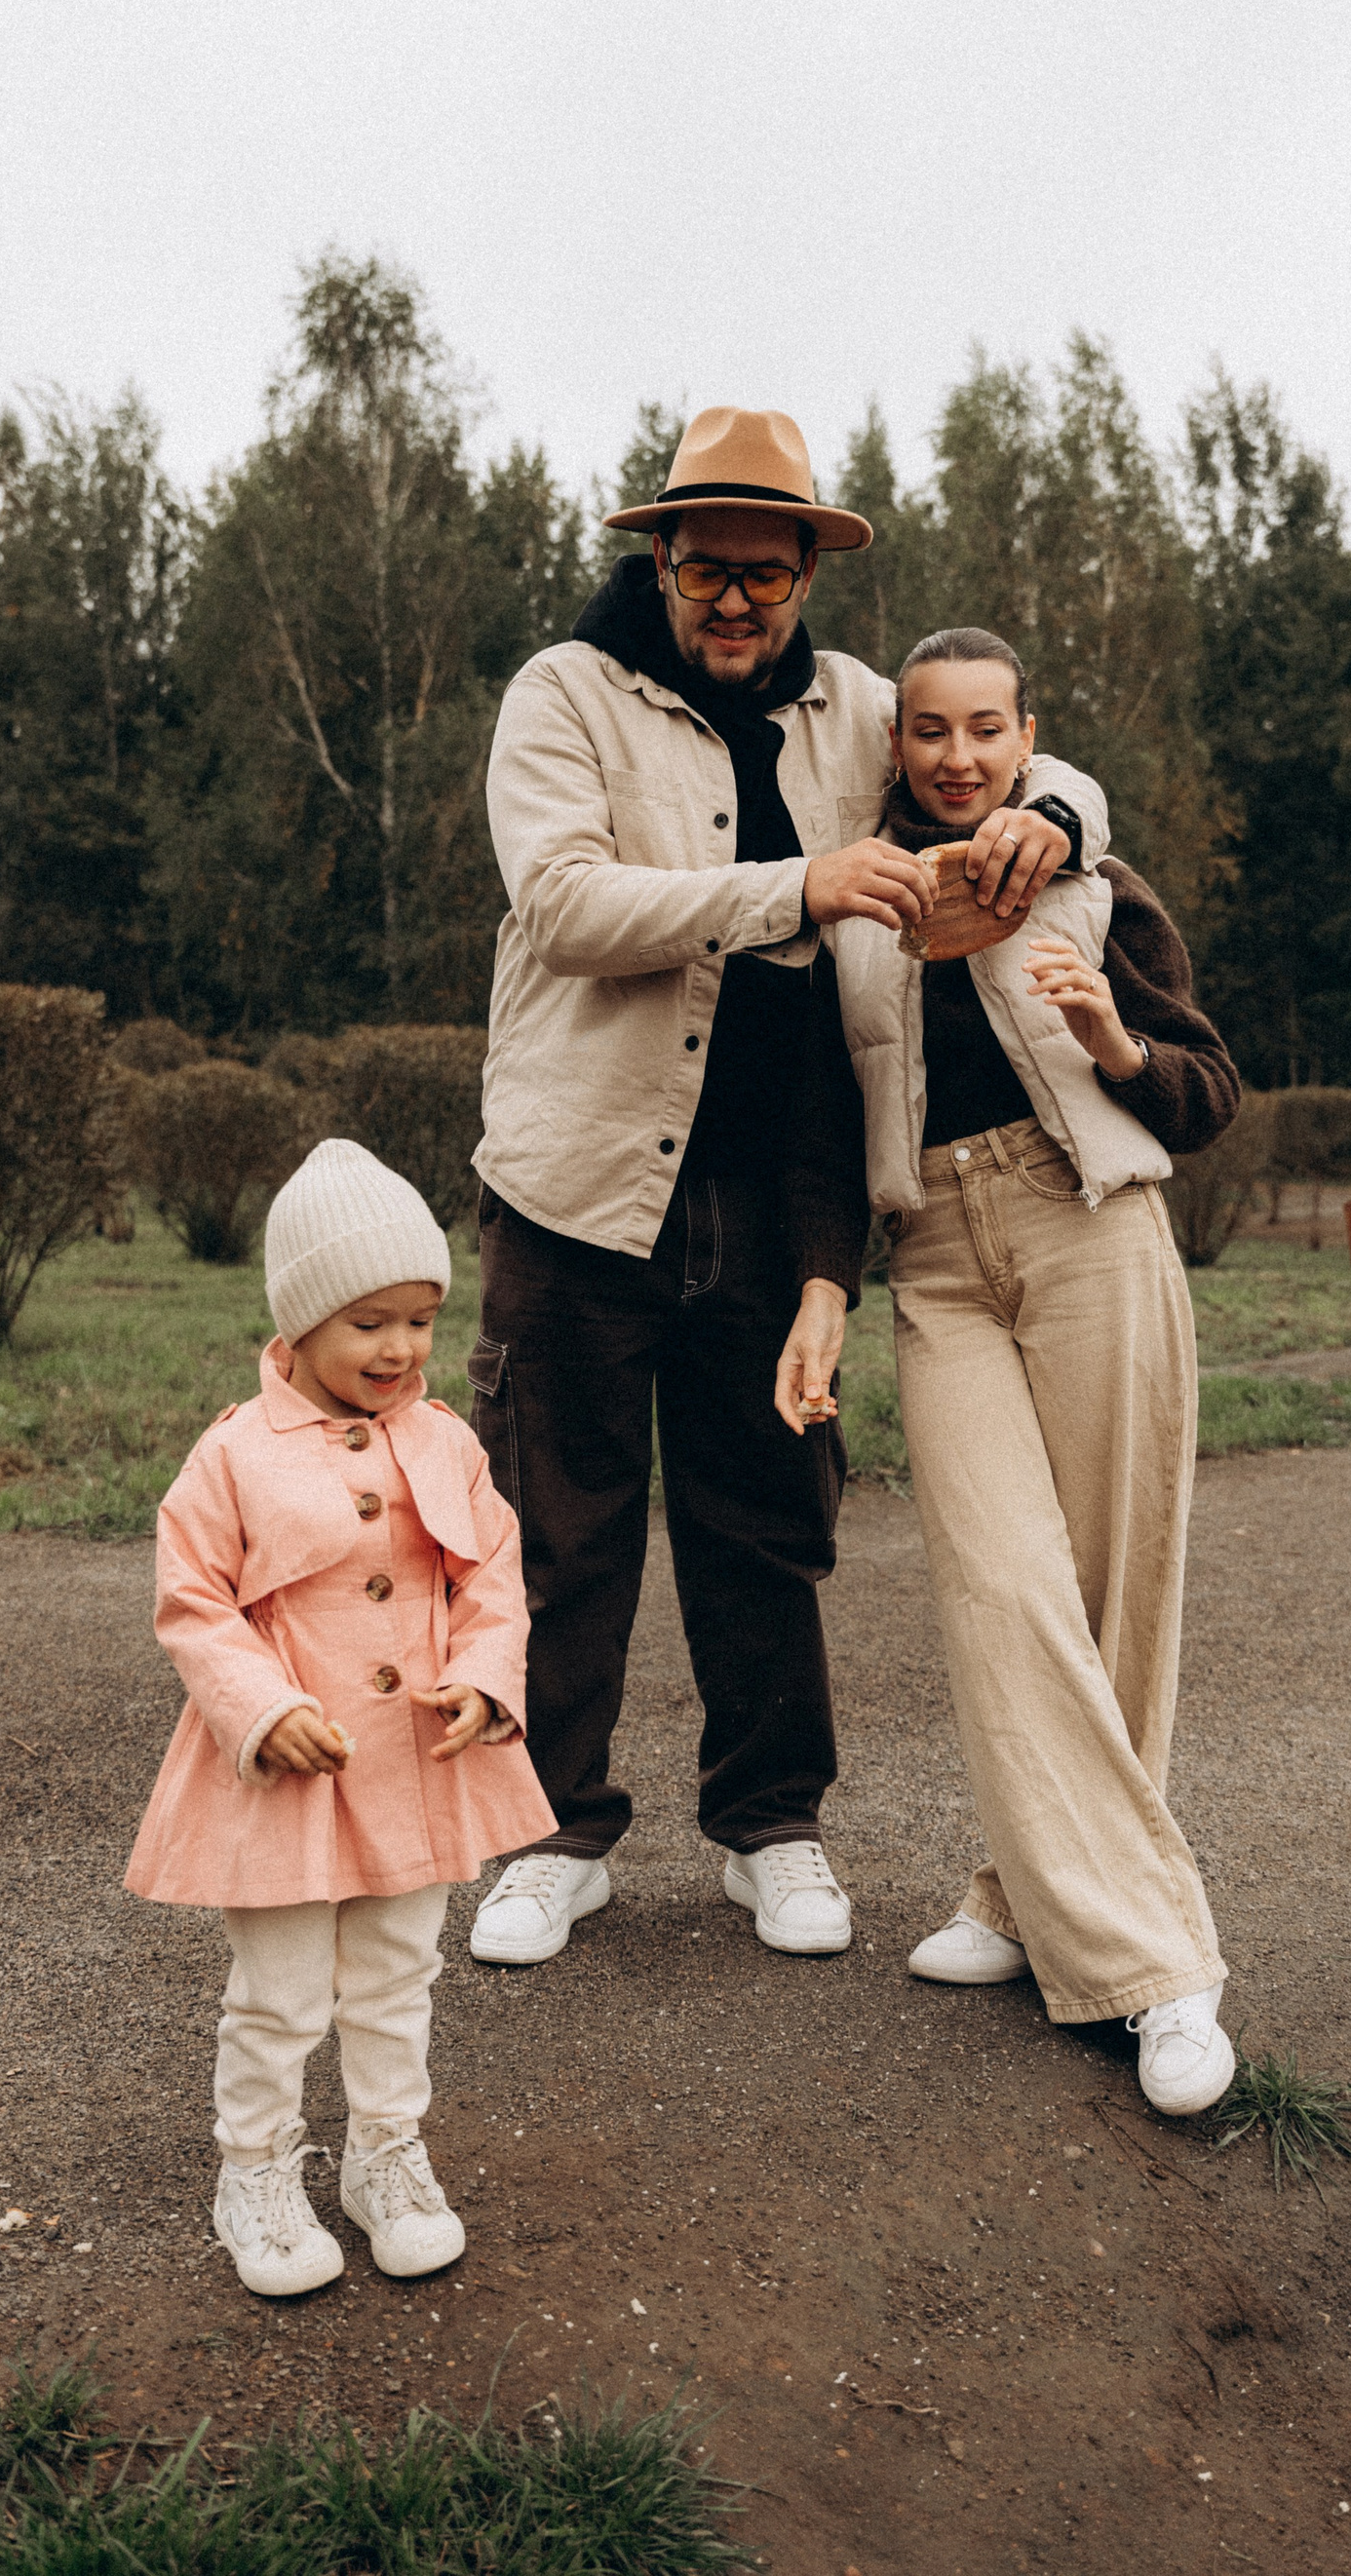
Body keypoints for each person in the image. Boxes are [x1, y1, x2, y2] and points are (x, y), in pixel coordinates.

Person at [464, 407, 1108, 1966]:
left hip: (772, 1187)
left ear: (809, 570)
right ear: (662, 563)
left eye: (769, 572)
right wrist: (798, 885)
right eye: (709, 570)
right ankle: (551, 1837)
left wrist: (1054, 815)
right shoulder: (564, 693)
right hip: (576, 1183)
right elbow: (561, 904)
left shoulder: (861, 707)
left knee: (763, 1520)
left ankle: (771, 1826)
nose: (738, 601)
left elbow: (1015, 755)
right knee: (560, 1525)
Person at [825, 626, 1240, 2113]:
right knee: (1002, 1585)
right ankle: (1154, 1958)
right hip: (936, 1255)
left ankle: (1034, 1905)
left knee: (1117, 1591)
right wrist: (821, 1286)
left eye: (986, 728)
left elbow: (1208, 1089)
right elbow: (817, 1116)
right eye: (930, 728)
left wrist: (1114, 1041)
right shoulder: (859, 898)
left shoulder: (1091, 877)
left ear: (1026, 735)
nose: (958, 756)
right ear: (897, 743)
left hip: (1090, 1227)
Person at [125, 1140, 557, 2294]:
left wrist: (486, 1675)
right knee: (278, 1991)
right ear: (302, 1319)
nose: (401, 1347)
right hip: (286, 1774)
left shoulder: (446, 1440)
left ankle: (385, 2153)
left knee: (397, 1972)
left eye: (421, 1318)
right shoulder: (233, 1453)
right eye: (369, 1321)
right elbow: (193, 1598)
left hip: (415, 1761)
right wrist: (260, 1706)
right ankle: (255, 2169)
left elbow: (493, 1570)